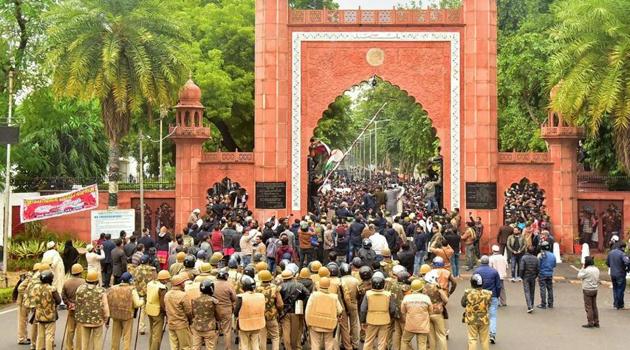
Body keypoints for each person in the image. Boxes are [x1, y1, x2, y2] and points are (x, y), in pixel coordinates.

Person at [107, 272, 143, 350]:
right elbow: (137, 304)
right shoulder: (132, 289)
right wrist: (142, 301)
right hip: (127, 315)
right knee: (127, 336)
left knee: (115, 336)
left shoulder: (113, 288)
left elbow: (108, 300)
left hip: (116, 315)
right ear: (130, 281)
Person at [305, 276, 343, 350]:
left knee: (315, 344)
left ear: (319, 285)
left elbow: (307, 310)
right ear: (329, 285)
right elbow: (340, 310)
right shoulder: (334, 297)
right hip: (329, 324)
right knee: (329, 344)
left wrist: (308, 323)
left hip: (314, 323)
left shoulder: (313, 295)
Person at [360, 274, 397, 350]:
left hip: (371, 320)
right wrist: (390, 317)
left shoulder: (368, 294)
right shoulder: (388, 294)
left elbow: (363, 309)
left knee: (368, 341)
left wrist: (363, 321)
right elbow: (393, 309)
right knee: (382, 342)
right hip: (384, 320)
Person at [75, 271, 109, 350]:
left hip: (84, 320)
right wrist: (107, 319)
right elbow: (105, 306)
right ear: (96, 281)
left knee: (85, 341)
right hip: (97, 320)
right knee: (97, 341)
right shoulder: (101, 291)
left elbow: (77, 303)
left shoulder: (80, 289)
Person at [279, 269, 310, 350]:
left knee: (286, 332)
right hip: (296, 310)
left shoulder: (280, 286)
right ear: (292, 277)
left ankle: (287, 348)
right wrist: (302, 302)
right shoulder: (299, 285)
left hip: (284, 312)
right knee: (295, 332)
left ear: (283, 278)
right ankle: (295, 347)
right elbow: (308, 294)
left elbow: (278, 300)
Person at [473, 256, 501, 344]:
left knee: (480, 314)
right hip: (493, 295)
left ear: (481, 261)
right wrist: (497, 295)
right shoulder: (494, 271)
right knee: (493, 316)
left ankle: (481, 334)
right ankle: (492, 334)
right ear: (488, 262)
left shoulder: (477, 271)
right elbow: (498, 286)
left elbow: (474, 284)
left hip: (481, 295)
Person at [461, 273, 492, 350]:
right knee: (484, 340)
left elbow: (463, 303)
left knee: (472, 339)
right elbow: (489, 304)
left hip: (472, 319)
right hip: (484, 318)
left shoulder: (468, 292)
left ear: (472, 283)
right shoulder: (488, 293)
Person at [234, 275, 266, 350]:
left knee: (244, 344)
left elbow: (236, 312)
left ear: (244, 287)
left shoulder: (241, 297)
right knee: (255, 344)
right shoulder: (261, 296)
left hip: (244, 325)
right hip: (257, 323)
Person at [33, 270, 61, 350]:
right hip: (50, 316)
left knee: (40, 335)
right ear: (50, 279)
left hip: (39, 315)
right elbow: (58, 301)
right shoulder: (52, 289)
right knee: (49, 335)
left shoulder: (36, 288)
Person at [400, 279, 432, 350]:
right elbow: (430, 311)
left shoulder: (406, 298)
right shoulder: (426, 298)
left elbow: (403, 311)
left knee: (405, 341)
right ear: (421, 288)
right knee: (422, 343)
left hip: (410, 325)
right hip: (423, 326)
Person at [256, 270, 284, 350]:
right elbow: (280, 304)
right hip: (272, 316)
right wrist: (280, 311)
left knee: (262, 337)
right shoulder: (275, 288)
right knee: (275, 337)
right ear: (270, 279)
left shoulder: (256, 289)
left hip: (260, 316)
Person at [165, 273, 193, 350]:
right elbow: (188, 311)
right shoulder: (183, 295)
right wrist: (190, 321)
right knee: (185, 347)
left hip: (171, 324)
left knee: (174, 346)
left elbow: (166, 309)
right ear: (180, 284)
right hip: (181, 324)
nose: (184, 284)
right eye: (183, 282)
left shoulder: (167, 295)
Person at [61, 264, 86, 350]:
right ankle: (79, 348)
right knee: (80, 330)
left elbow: (63, 296)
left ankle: (69, 347)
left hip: (71, 308)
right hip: (81, 310)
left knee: (70, 330)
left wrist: (68, 303)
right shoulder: (84, 282)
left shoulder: (67, 282)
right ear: (80, 272)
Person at [422, 271, 448, 350]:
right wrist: (441, 304)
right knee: (441, 335)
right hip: (437, 314)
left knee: (431, 336)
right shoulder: (437, 287)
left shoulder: (423, 288)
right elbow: (446, 300)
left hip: (427, 313)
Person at [191, 279, 220, 350]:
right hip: (210, 328)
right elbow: (218, 315)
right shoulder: (214, 301)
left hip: (197, 328)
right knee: (210, 348)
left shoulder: (194, 300)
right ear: (211, 289)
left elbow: (192, 313)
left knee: (195, 347)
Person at [145, 270, 171, 350]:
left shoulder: (151, 284)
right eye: (167, 279)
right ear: (163, 279)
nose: (167, 281)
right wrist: (167, 314)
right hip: (158, 312)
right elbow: (163, 304)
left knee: (152, 332)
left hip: (149, 309)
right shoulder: (162, 288)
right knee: (157, 335)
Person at [214, 268, 237, 350]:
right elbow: (234, 298)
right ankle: (228, 348)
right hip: (226, 310)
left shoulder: (213, 284)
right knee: (227, 331)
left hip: (215, 310)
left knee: (216, 330)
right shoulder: (229, 285)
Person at [133, 255, 157, 335]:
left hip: (141, 292)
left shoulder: (136, 269)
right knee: (153, 308)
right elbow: (155, 280)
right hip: (151, 292)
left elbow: (134, 281)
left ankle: (141, 327)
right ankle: (154, 326)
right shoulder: (152, 269)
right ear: (148, 261)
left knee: (143, 310)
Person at [578, 256, 600, 328]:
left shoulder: (586, 270)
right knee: (594, 306)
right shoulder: (596, 269)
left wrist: (582, 268)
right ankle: (596, 322)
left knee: (588, 307)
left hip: (587, 289)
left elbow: (579, 276)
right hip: (595, 289)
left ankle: (590, 322)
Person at [606, 241, 629, 310]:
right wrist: (626, 267)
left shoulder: (610, 253)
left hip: (613, 274)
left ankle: (615, 304)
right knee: (620, 289)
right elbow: (627, 262)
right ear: (622, 247)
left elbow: (607, 263)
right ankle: (620, 304)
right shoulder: (622, 254)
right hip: (620, 274)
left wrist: (612, 266)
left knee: (615, 289)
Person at [519, 247, 539, 313]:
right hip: (533, 276)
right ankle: (532, 304)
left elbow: (521, 268)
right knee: (532, 291)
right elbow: (538, 268)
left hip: (526, 276)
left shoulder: (523, 258)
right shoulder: (536, 258)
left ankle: (529, 306)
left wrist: (521, 276)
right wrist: (536, 275)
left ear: (527, 250)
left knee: (527, 291)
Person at [538, 241, 556, 309]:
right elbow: (554, 265)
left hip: (542, 273)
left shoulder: (540, 255)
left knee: (543, 288)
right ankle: (550, 304)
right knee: (550, 289)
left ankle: (543, 304)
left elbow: (538, 265)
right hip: (550, 273)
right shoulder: (552, 255)